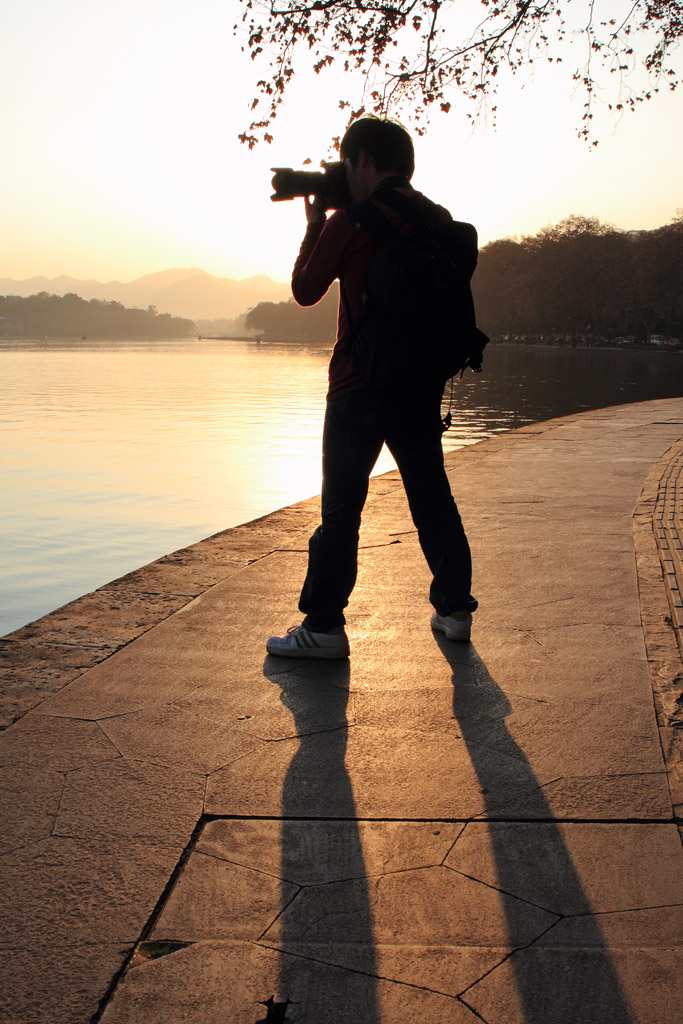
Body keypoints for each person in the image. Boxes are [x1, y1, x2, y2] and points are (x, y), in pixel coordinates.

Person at [266, 117, 478, 659]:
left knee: (341, 509)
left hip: (358, 387)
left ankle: (323, 627)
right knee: (432, 499)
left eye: (346, 161)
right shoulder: (438, 221)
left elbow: (305, 290)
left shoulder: (352, 222)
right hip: (418, 385)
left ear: (361, 160)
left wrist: (316, 224)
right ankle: (455, 609)